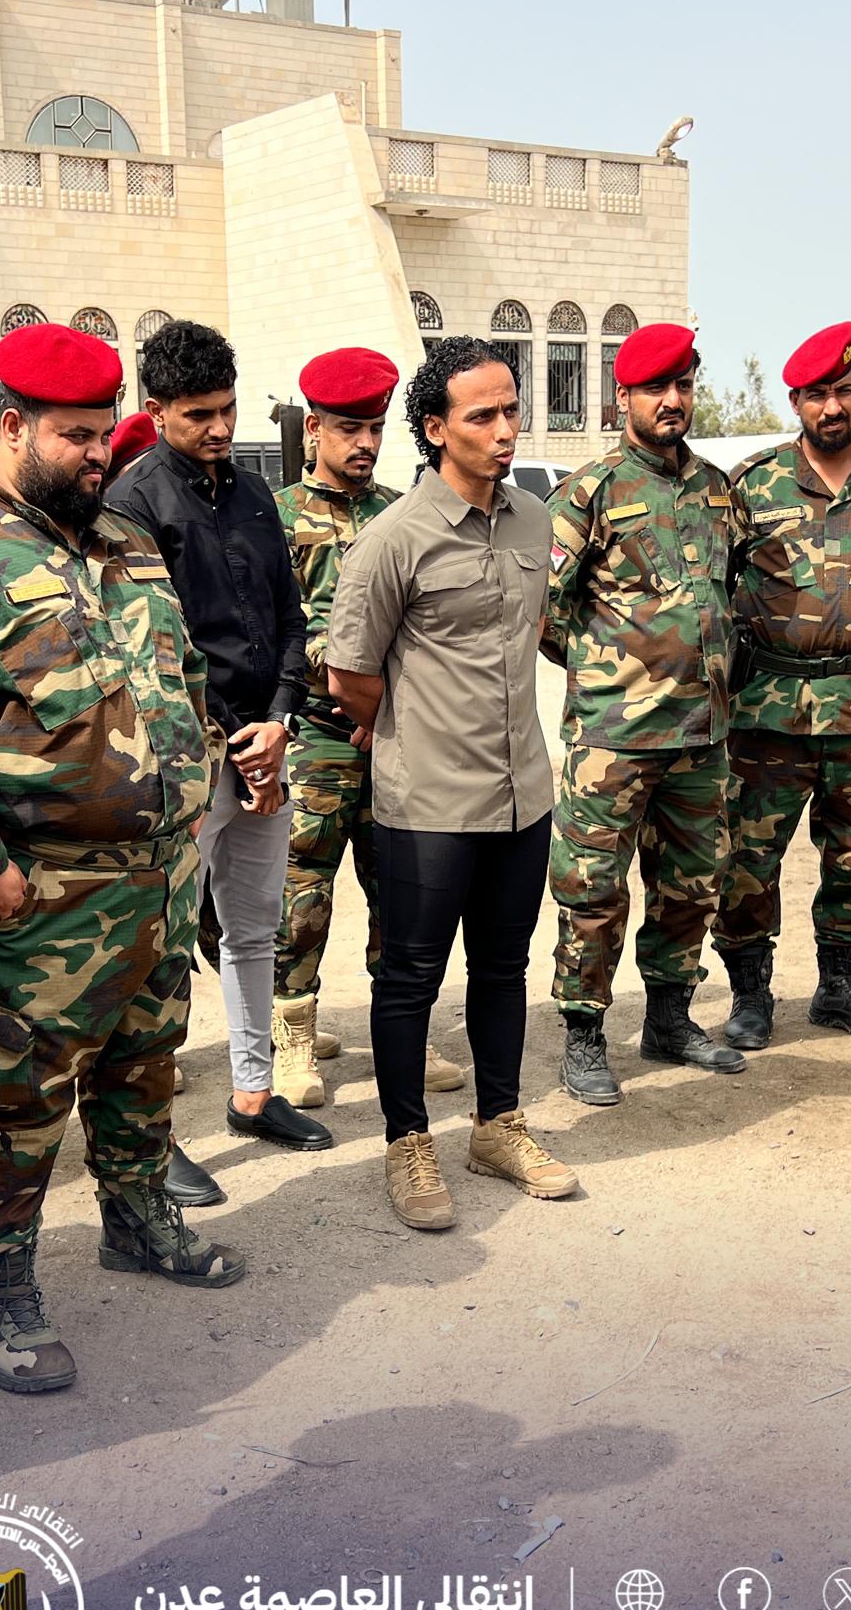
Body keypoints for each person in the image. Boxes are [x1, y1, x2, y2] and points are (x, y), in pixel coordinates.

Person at [0, 321, 241, 1398]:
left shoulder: (126, 542)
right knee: (14, 1100)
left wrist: (198, 790)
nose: (96, 453)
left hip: (155, 881)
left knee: (143, 1066)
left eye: (102, 433)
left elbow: (176, 681)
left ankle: (137, 1218)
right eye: (74, 435)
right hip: (36, 895)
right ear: (11, 428)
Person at [325, 337, 574, 1228]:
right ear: (435, 429)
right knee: (410, 977)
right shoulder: (393, 539)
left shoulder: (534, 521)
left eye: (512, 411)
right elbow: (350, 675)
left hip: (522, 793)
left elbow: (530, 632)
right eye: (483, 416)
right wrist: (417, 725)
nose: (506, 430)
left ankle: (497, 1125)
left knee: (503, 967)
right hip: (428, 800)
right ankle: (408, 1142)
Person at [108, 319, 332, 1150]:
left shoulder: (253, 495)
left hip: (265, 744)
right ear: (157, 411)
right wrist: (242, 741)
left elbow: (289, 618)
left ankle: (252, 1092)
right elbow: (150, 651)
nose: (219, 428)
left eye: (227, 409)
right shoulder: (132, 503)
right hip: (185, 761)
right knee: (160, 948)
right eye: (198, 414)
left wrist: (279, 722)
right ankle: (148, 1143)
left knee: (253, 930)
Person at [715, 323, 851, 1051]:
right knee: (748, 856)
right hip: (768, 708)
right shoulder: (754, 485)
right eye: (815, 396)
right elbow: (719, 582)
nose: (831, 407)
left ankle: (843, 988)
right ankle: (750, 994)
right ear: (796, 404)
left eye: (842, 390)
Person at [543, 321, 744, 1105]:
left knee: (692, 886)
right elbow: (544, 610)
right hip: (614, 738)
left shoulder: (718, 490)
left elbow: (730, 599)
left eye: (683, 386)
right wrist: (611, 673)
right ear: (622, 395)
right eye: (656, 387)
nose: (672, 401)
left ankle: (669, 1018)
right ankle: (585, 1034)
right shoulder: (589, 492)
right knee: (593, 890)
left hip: (702, 735)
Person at [270, 347, 468, 1110]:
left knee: (402, 891)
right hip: (318, 737)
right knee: (302, 893)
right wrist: (345, 699)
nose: (365, 444)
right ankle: (293, 1035)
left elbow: (427, 623)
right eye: (349, 429)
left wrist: (386, 707)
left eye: (375, 429)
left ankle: (405, 1034)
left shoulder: (404, 511)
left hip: (393, 734)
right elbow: (280, 630)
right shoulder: (278, 517)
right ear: (314, 428)